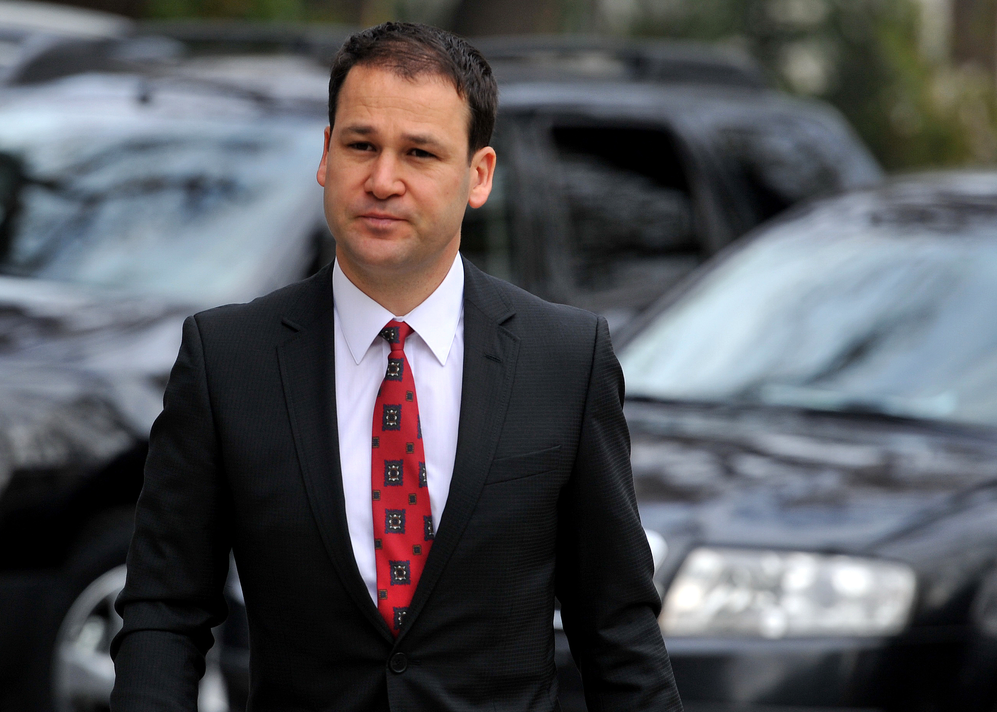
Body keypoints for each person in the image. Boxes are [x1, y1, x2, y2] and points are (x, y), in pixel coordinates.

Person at [111, 22, 681, 712]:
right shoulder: (227, 359)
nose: (383, 181)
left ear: (478, 176)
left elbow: (617, 629)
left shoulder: (565, 359)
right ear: (326, 154)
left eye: (419, 153)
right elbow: (164, 612)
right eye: (361, 146)